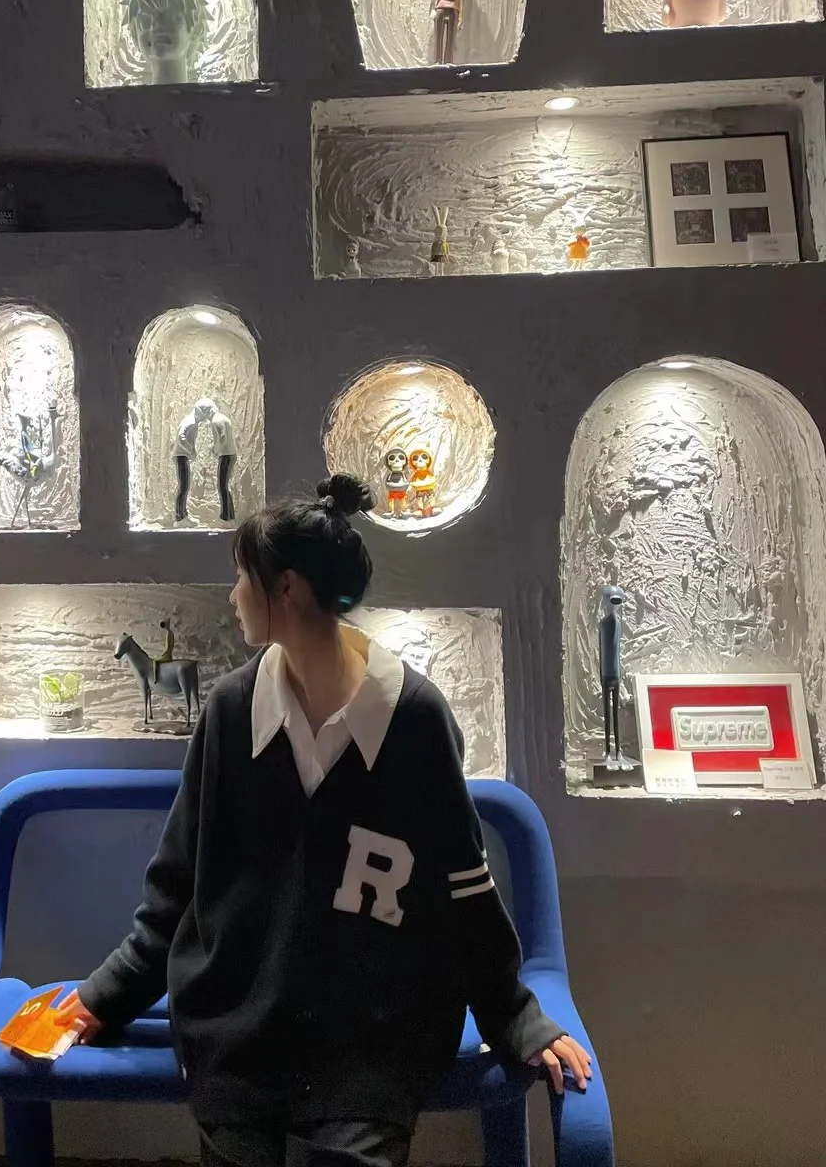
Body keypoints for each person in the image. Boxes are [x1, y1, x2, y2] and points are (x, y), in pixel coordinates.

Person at [57, 473, 591, 1167]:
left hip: (375, 1041)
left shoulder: (413, 717)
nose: (233, 596)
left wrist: (515, 1015)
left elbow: (462, 891)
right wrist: (104, 997)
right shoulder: (231, 711)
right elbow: (177, 889)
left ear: (286, 589)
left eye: (242, 578)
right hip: (238, 1033)